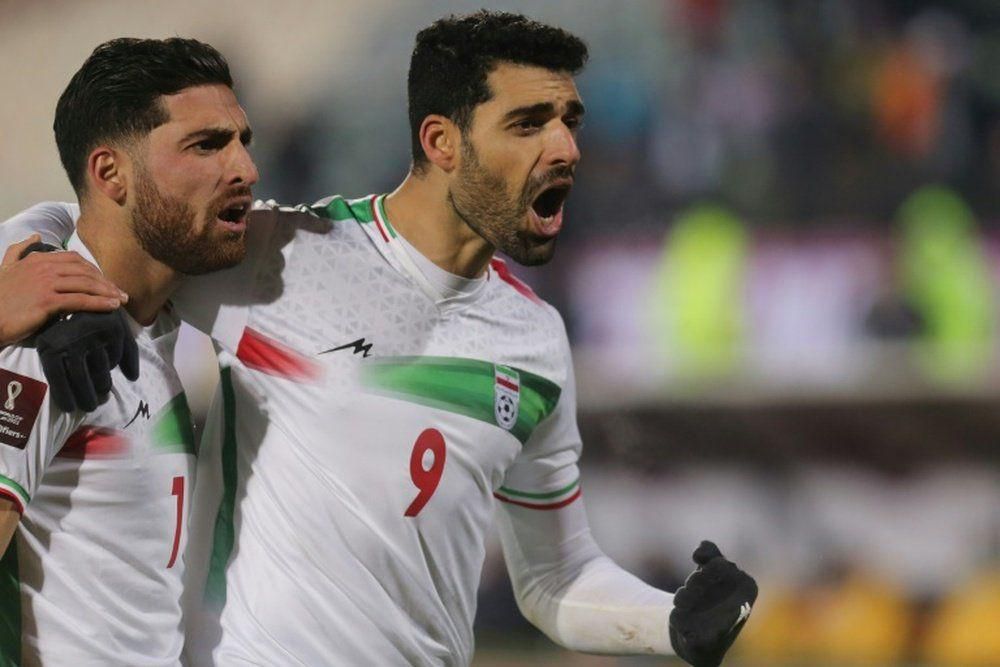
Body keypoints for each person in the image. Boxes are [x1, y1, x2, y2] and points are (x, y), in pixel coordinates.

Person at [0, 12, 755, 666]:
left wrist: (668, 622)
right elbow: (111, 219)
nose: (564, 149)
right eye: (529, 123)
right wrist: (32, 261)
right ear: (442, 141)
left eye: (570, 121)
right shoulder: (278, 256)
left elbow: (553, 577)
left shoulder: (536, 343)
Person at [0, 37, 257, 665]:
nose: (245, 169)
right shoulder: (50, 342)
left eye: (243, 141)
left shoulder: (168, 326)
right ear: (110, 173)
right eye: (207, 145)